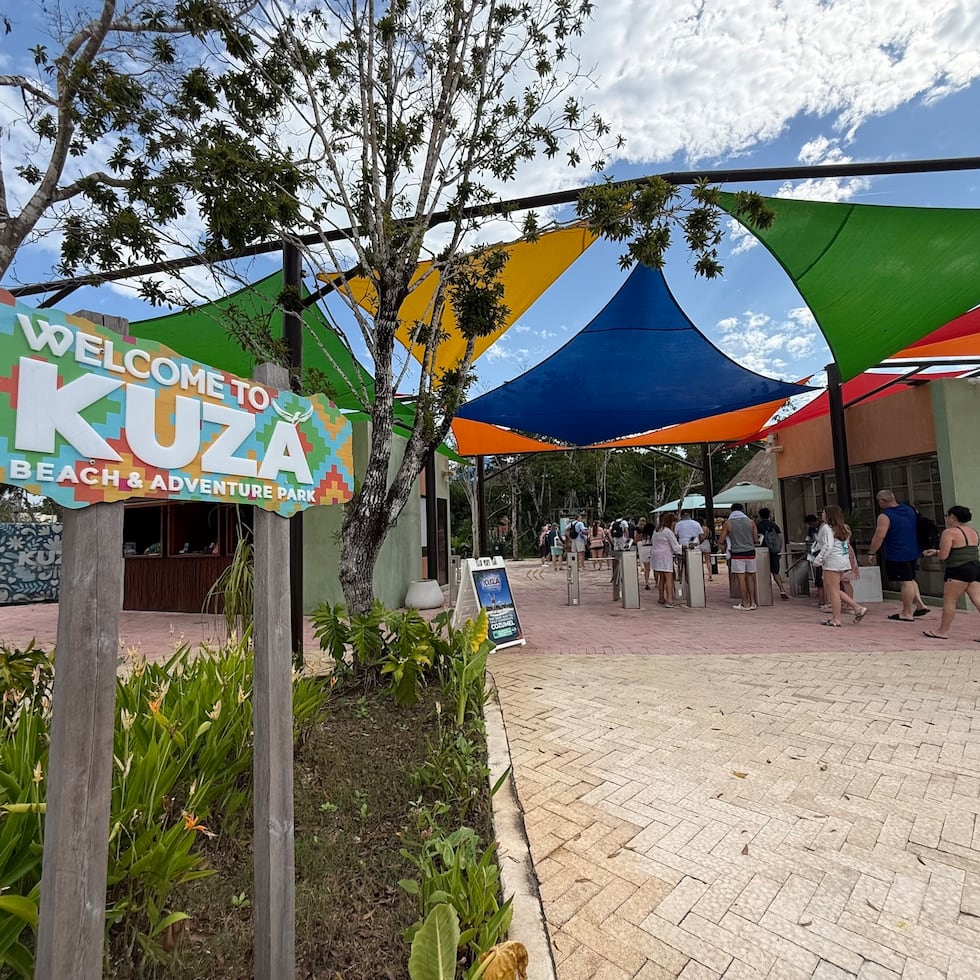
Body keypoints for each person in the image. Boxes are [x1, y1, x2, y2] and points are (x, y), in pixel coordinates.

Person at [867, 489, 929, 621]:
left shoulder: (885, 516)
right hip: (913, 550)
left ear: (882, 502)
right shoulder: (909, 510)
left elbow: (880, 536)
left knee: (905, 582)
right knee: (910, 578)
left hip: (898, 552)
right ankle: (919, 604)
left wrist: (872, 552)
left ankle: (906, 612)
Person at [921, 505, 980, 639]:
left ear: (953, 517)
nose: (947, 518)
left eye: (947, 516)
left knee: (950, 601)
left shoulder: (949, 533)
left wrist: (937, 552)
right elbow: (963, 550)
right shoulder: (973, 532)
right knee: (978, 600)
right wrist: (937, 552)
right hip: (975, 568)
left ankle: (942, 631)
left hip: (958, 570)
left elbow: (944, 556)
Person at [810, 504, 868, 627]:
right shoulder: (843, 528)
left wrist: (818, 560)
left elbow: (828, 545)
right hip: (842, 560)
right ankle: (856, 607)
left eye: (824, 513)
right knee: (834, 588)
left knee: (833, 591)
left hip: (832, 561)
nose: (822, 515)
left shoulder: (826, 528)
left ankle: (836, 619)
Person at [718, 503, 758, 610]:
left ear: (732, 511)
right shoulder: (751, 522)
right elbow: (756, 540)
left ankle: (744, 603)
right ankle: (753, 602)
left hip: (737, 554)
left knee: (741, 579)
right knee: (750, 577)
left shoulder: (728, 523)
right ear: (742, 510)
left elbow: (721, 540)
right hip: (750, 552)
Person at [756, 507, 789, 600]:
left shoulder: (758, 525)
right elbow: (780, 538)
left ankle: (764, 591)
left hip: (762, 551)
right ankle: (782, 589)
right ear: (769, 515)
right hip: (774, 551)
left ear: (759, 516)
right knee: (775, 572)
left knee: (762, 572)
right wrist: (778, 549)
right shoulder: (774, 525)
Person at [650, 514, 682, 607]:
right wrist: (684, 547)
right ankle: (670, 600)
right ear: (671, 522)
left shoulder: (657, 530)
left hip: (656, 555)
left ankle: (661, 597)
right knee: (669, 577)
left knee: (662, 578)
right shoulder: (668, 531)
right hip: (665, 556)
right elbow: (675, 546)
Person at [635, 517, 653, 589]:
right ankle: (656, 582)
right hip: (650, 547)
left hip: (642, 546)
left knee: (646, 568)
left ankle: (647, 582)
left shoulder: (637, 529)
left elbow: (636, 539)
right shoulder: (650, 530)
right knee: (652, 568)